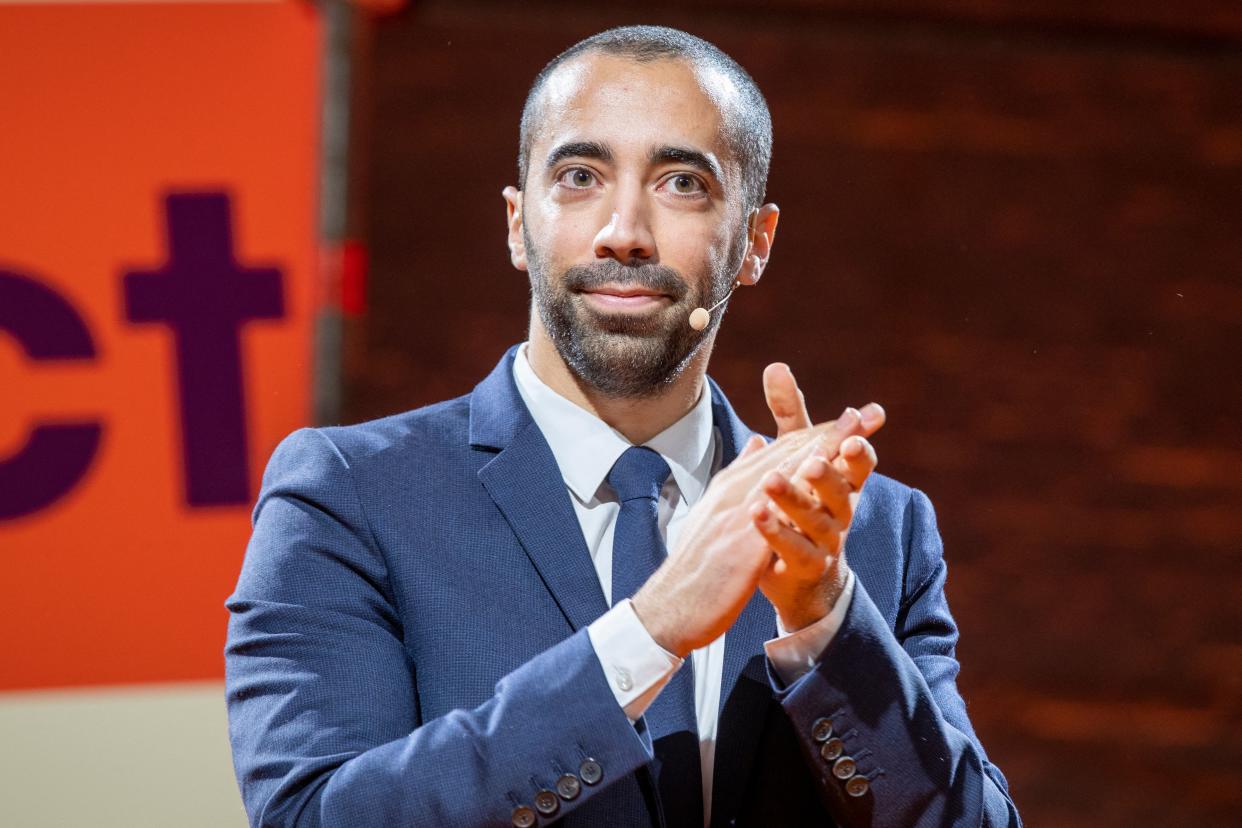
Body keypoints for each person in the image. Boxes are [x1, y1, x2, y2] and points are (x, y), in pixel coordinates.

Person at [225, 25, 1021, 828]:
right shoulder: (351, 496)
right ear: (515, 222)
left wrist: (823, 623)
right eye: (579, 176)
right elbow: (313, 817)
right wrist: (651, 630)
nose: (624, 231)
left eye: (682, 183)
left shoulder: (875, 532)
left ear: (755, 242)